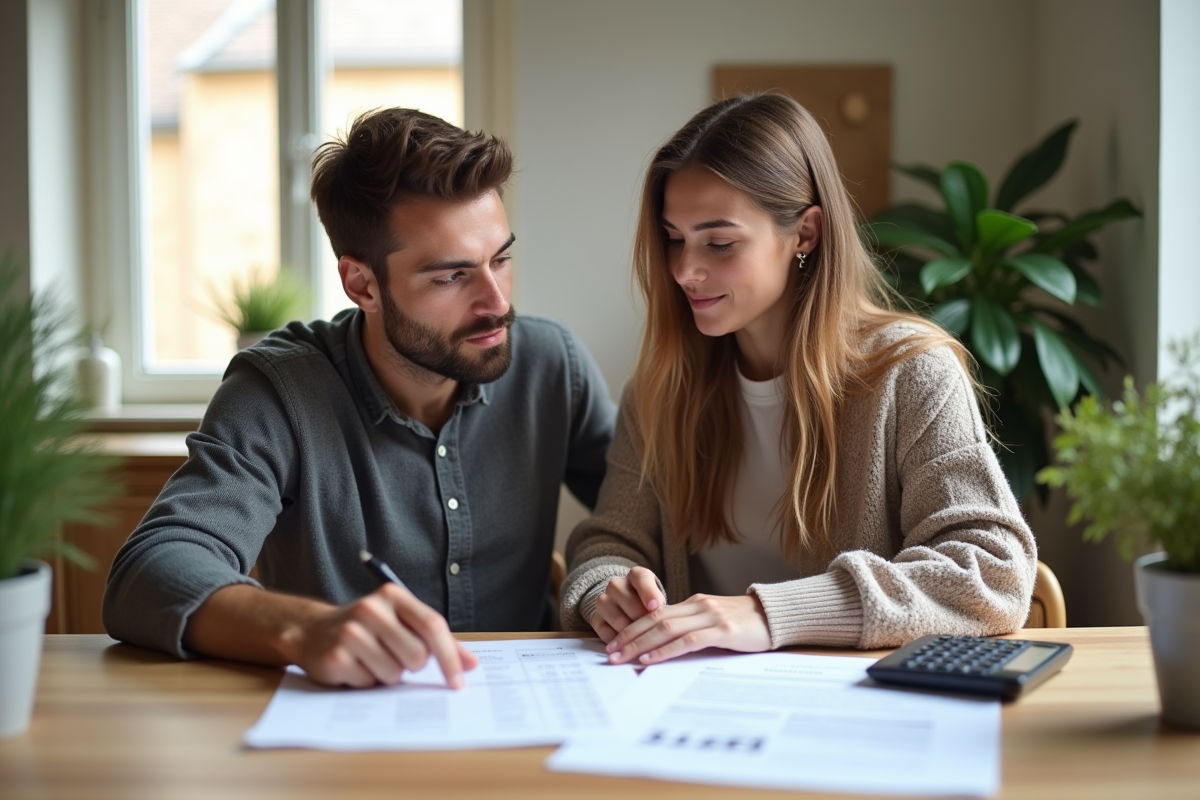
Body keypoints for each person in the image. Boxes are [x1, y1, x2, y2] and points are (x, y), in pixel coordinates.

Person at [104, 108, 615, 688]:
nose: (495, 302)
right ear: (362, 284)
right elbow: (148, 571)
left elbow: (652, 513)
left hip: (529, 719)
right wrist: (303, 628)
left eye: (500, 259)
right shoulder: (278, 392)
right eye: (452, 276)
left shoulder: (551, 363)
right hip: (341, 734)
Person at [560, 93, 1036, 667]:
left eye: (719, 242)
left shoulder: (911, 375)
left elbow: (990, 573)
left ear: (805, 234)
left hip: (853, 719)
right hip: (695, 708)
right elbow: (609, 542)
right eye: (673, 238)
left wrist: (768, 615)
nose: (685, 269)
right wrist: (605, 590)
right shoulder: (663, 390)